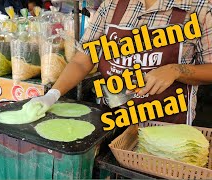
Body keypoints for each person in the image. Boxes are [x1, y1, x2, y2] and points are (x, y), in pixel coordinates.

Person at [30, 0, 212, 125]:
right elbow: (82, 59)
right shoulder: (111, 5)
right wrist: (53, 94)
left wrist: (176, 70)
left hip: (166, 126)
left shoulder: (199, 7)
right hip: (112, 120)